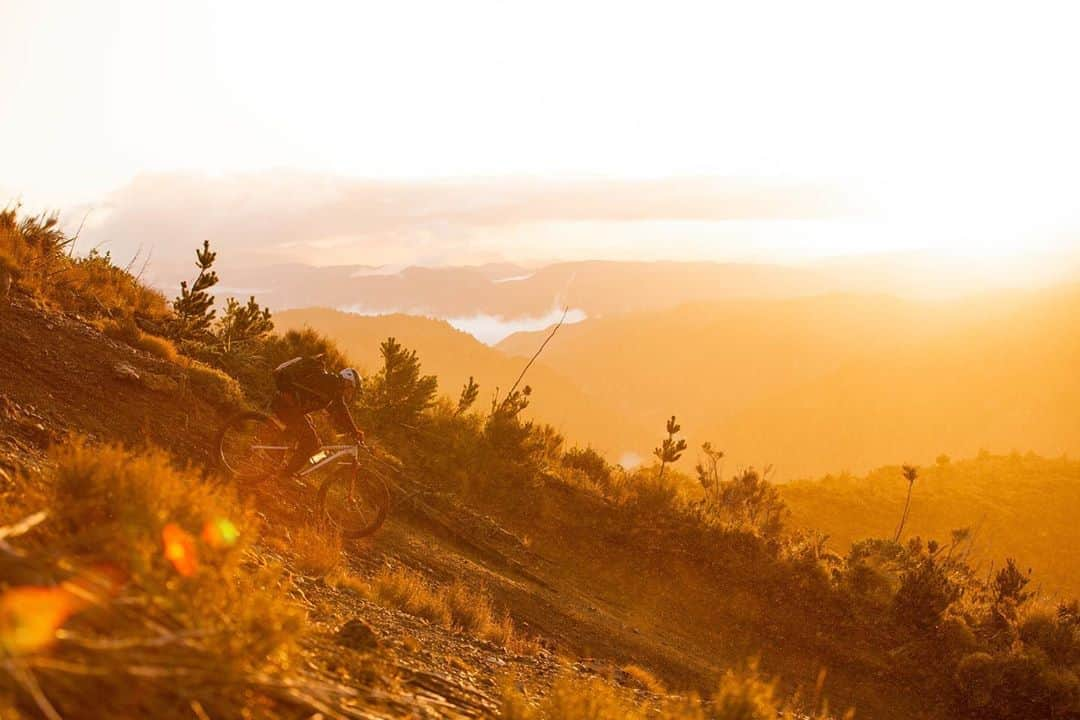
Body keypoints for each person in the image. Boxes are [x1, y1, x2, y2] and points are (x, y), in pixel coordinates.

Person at [271, 355, 364, 477]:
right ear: (347, 382)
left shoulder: (333, 388)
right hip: (285, 406)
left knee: (310, 433)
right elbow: (340, 408)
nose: (350, 394)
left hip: (289, 407)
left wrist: (354, 430)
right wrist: (354, 431)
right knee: (311, 442)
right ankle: (285, 475)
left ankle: (273, 447)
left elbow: (341, 411)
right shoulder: (329, 382)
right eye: (351, 389)